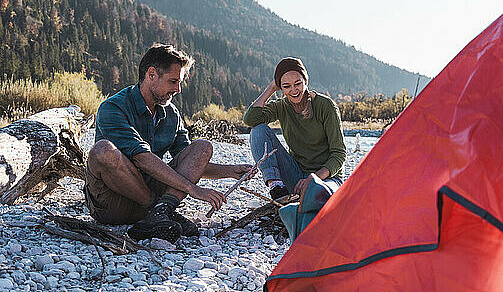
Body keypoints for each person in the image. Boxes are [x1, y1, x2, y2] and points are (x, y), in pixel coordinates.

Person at [84, 43, 253, 244]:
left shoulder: (171, 113)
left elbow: (191, 164)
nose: (178, 89)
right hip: (113, 204)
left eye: (179, 82)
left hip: (153, 197)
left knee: (202, 147)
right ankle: (158, 210)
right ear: (151, 74)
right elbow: (143, 159)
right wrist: (194, 190)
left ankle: (160, 212)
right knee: (103, 150)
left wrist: (231, 171)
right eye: (173, 81)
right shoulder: (113, 107)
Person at [243, 57, 346, 204]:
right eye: (286, 86)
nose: (293, 90)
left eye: (298, 84)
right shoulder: (281, 106)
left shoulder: (326, 106)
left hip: (327, 179)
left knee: (318, 195)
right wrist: (271, 88)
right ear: (281, 88)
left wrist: (314, 178)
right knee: (258, 130)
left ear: (305, 81)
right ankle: (276, 187)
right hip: (297, 178)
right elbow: (250, 119)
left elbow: (339, 154)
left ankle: (304, 201)